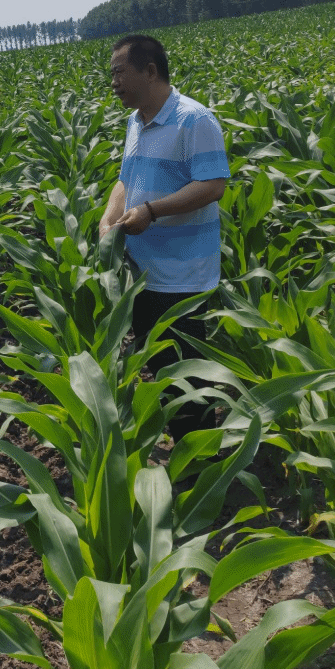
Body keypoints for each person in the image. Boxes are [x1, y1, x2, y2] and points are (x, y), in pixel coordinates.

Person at [98, 34, 229, 437]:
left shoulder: (195, 120)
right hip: (141, 274)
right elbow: (127, 179)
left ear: (150, 71)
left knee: (188, 383)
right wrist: (108, 219)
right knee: (159, 370)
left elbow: (213, 185)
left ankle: (198, 460)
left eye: (119, 73)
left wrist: (152, 212)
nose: (114, 83)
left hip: (182, 279)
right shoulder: (135, 123)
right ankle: (179, 446)